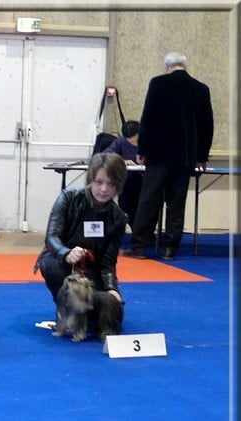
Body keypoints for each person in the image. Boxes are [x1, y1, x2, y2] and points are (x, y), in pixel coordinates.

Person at [123, 52, 214, 261]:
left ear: (167, 67)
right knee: (176, 202)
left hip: (159, 154)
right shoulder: (201, 88)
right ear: (185, 66)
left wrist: (142, 150)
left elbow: (148, 118)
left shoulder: (158, 84)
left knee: (149, 199)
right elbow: (206, 125)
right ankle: (170, 248)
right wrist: (202, 155)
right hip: (185, 156)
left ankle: (139, 245)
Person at [34, 152, 128, 330]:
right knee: (51, 264)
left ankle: (82, 312)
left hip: (92, 267)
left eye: (111, 184)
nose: (104, 189)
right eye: (99, 181)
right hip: (62, 261)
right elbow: (51, 237)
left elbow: (108, 262)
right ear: (91, 179)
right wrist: (66, 253)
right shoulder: (68, 198)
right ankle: (64, 307)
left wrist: (112, 289)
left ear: (118, 186)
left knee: (105, 316)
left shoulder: (119, 218)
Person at [105, 120, 142, 229]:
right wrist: (122, 161)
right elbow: (106, 155)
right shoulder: (120, 142)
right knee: (126, 207)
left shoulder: (149, 140)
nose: (133, 143)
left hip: (146, 183)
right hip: (128, 183)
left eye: (135, 139)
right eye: (129, 140)